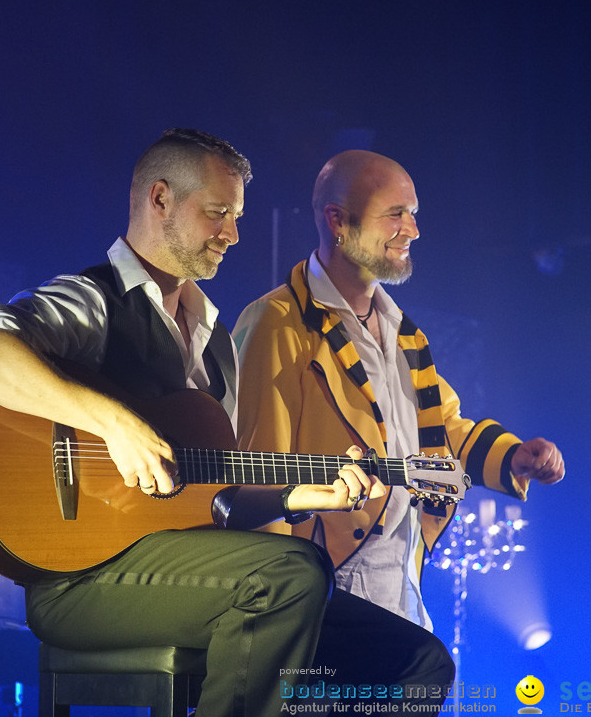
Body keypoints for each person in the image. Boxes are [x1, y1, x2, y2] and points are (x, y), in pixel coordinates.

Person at [0, 129, 381, 717]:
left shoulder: (216, 342)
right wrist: (114, 423)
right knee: (289, 577)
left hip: (181, 566)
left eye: (237, 216)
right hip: (79, 579)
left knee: (410, 656)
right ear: (160, 200)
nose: (233, 233)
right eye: (218, 213)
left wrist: (301, 495)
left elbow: (203, 493)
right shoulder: (94, 298)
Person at [228, 149, 566, 705]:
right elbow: (255, 469)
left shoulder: (403, 332)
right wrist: (273, 618)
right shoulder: (277, 322)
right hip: (322, 588)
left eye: (412, 213)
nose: (412, 229)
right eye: (396, 214)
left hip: (399, 582)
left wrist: (511, 457)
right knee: (421, 669)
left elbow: (439, 434)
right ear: (338, 222)